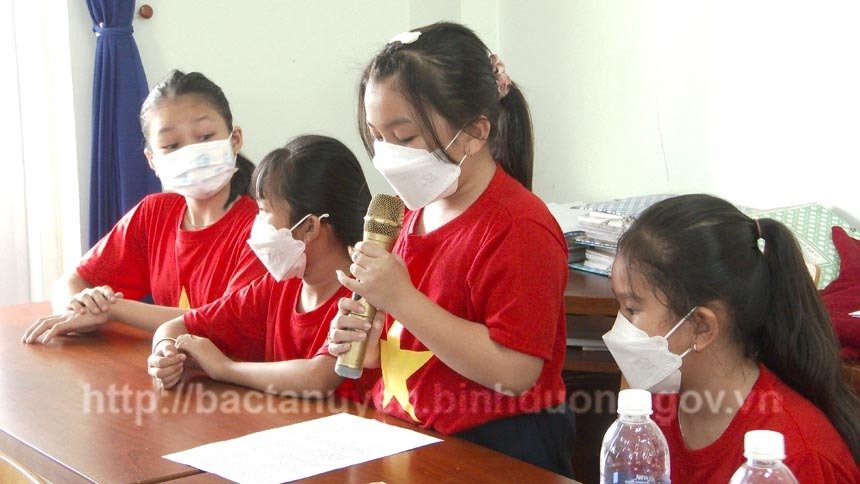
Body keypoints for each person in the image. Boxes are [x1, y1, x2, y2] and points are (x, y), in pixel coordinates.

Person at [328, 22, 574, 477]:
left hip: (495, 449)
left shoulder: (519, 226)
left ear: (475, 132)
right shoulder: (410, 210)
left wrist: (401, 299)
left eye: (404, 138)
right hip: (406, 434)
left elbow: (516, 372)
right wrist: (374, 333)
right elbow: (423, 331)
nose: (387, 154)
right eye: (377, 137)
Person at [603, 194, 860, 482]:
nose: (619, 326)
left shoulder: (797, 459)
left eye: (632, 309)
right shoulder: (653, 413)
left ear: (702, 327)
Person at [23, 70, 266, 344]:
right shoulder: (155, 214)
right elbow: (71, 282)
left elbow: (226, 322)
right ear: (152, 160)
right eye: (171, 145)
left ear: (234, 140)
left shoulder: (264, 226)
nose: (190, 153)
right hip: (169, 364)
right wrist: (79, 308)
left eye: (205, 137)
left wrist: (112, 308)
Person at [147, 135, 376, 402]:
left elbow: (317, 378)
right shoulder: (276, 287)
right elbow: (176, 327)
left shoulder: (361, 296)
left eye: (264, 211)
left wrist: (224, 368)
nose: (257, 223)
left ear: (309, 227)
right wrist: (166, 353)